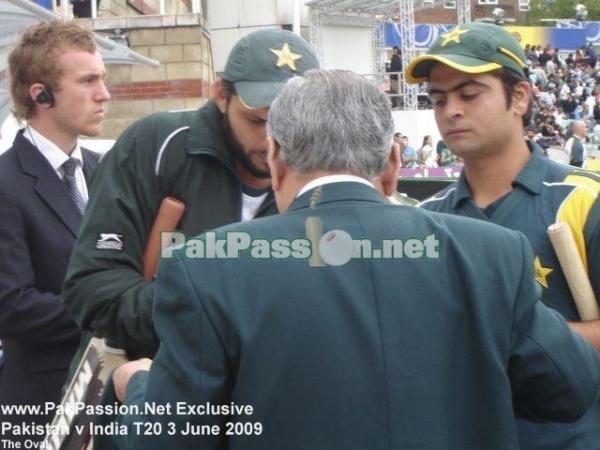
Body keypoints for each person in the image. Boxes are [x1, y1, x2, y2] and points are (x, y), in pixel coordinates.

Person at [97, 69, 600, 449]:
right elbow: (568, 390)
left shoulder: (207, 265)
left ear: (275, 157)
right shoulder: (492, 252)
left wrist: (135, 382)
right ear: (393, 164)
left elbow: (166, 439)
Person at [62, 28, 320, 360]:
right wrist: (215, 311)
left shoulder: (324, 173)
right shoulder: (155, 145)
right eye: (258, 121)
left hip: (266, 397)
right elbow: (93, 290)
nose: (274, 143)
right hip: (154, 388)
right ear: (221, 96)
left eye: (292, 127)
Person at [405, 21, 600, 449]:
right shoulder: (426, 218)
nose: (450, 110)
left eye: (469, 94)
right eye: (438, 99)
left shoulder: (583, 200)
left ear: (521, 97)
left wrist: (504, 337)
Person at [0, 20, 110, 445]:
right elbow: (10, 306)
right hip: (40, 410)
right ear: (40, 94)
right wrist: (109, 310)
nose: (104, 93)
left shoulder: (106, 172)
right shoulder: (6, 184)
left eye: (103, 79)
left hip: (113, 404)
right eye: (88, 81)